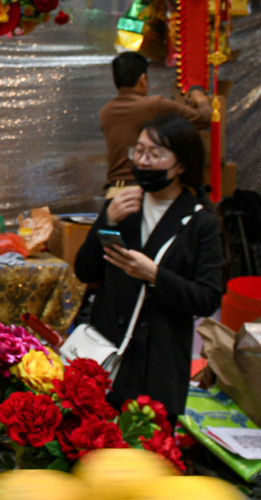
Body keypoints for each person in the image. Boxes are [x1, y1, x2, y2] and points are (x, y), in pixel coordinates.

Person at [72, 113, 224, 417]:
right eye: (138, 151)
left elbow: (207, 298)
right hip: (105, 355)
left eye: (155, 154)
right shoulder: (121, 207)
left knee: (149, 454)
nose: (143, 161)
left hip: (159, 364)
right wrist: (107, 219)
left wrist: (154, 275)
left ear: (180, 164)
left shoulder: (200, 222)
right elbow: (85, 271)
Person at [98, 51, 211, 196]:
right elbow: (205, 118)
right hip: (143, 191)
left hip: (114, 192)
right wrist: (200, 97)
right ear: (143, 79)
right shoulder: (155, 105)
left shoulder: (106, 112)